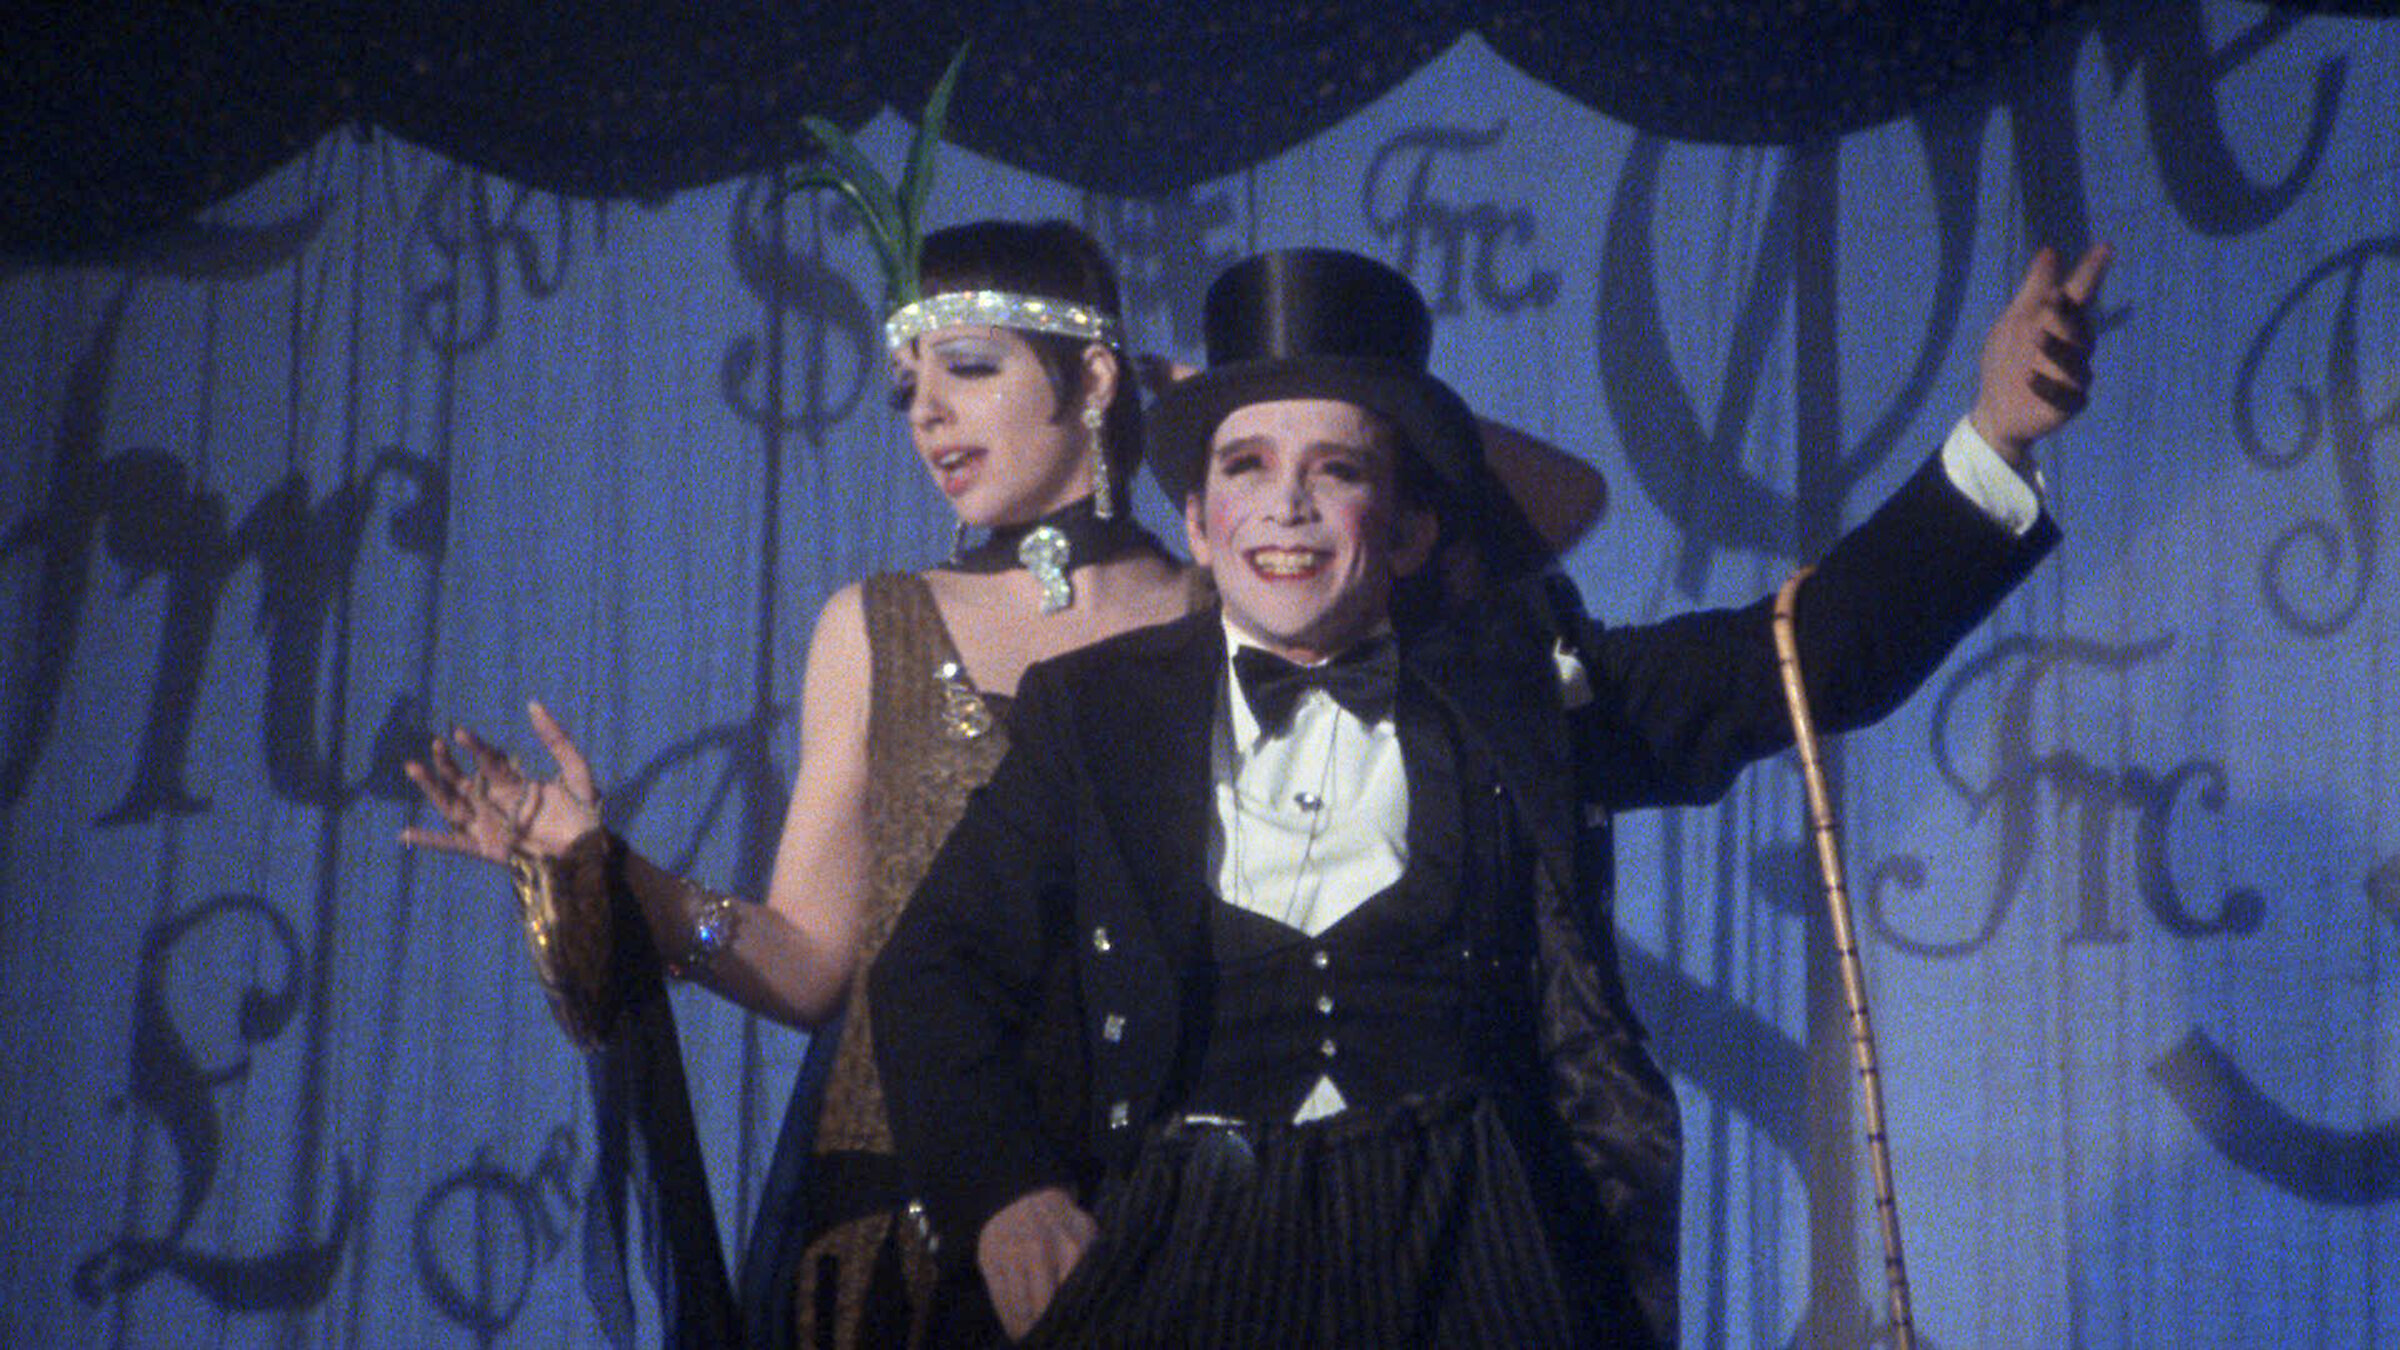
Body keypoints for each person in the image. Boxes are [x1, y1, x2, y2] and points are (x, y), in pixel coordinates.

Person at [870, 243, 2109, 1345]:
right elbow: (933, 966)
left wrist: (1993, 442)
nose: (1287, 503)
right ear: (1196, 522)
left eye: (1336, 469)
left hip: (1473, 1245)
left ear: (1410, 531)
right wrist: (1005, 1193)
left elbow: (1790, 660)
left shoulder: (1519, 686)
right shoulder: (1096, 712)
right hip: (1190, 1245)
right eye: (1247, 466)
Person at [401, 219, 1194, 1347]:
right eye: (907, 387)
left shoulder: (1221, 615)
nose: (926, 413)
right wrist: (609, 870)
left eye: (969, 368)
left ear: (1097, 377)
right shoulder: (878, 628)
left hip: (1158, 1194)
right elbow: (814, 964)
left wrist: (1231, 425)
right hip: (911, 1211)